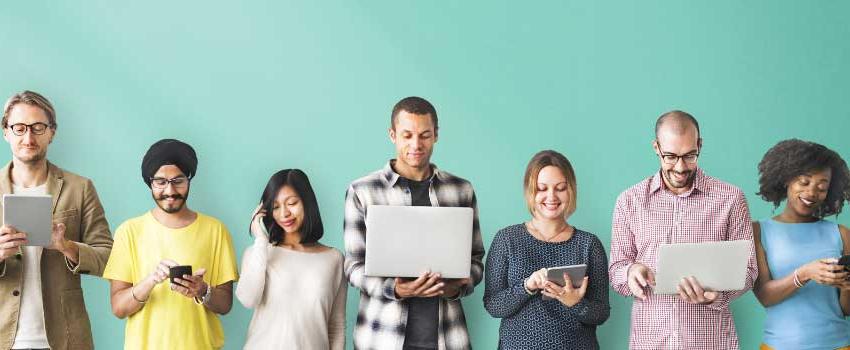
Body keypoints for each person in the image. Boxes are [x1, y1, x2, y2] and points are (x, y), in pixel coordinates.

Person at [343, 96, 485, 349]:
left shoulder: (461, 190)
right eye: (407, 135)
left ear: (436, 135)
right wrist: (395, 290)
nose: (416, 144)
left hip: (447, 337)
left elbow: (475, 261)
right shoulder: (363, 191)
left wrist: (455, 288)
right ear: (392, 134)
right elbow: (353, 266)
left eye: (425, 135)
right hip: (381, 337)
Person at [608, 110, 758, 349]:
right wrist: (630, 271)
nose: (680, 167)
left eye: (690, 155)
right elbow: (616, 269)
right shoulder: (630, 200)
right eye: (670, 156)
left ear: (700, 145)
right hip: (650, 342)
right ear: (656, 147)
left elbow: (749, 271)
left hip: (711, 342)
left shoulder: (731, 199)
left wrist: (717, 297)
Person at [0, 90, 113, 350]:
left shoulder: (80, 188)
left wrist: (66, 246)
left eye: (38, 127)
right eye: (19, 128)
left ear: (52, 132)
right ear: (6, 131)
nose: (28, 137)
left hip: (66, 338)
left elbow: (109, 258)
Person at [103, 139, 238, 350]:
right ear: (150, 182)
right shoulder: (129, 231)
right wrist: (150, 281)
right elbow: (119, 308)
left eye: (178, 180)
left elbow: (225, 305)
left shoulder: (215, 230)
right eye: (160, 182)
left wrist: (203, 290)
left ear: (189, 179)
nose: (170, 190)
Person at [483, 150, 610, 350]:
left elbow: (601, 313)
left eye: (560, 188)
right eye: (542, 188)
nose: (551, 196)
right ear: (530, 191)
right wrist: (527, 287)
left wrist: (575, 302)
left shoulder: (589, 244)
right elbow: (493, 305)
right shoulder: (507, 239)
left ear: (571, 191)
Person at [752, 139, 850, 350]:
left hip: (838, 346)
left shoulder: (840, 234)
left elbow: (845, 310)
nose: (812, 193)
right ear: (787, 179)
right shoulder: (759, 231)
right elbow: (765, 296)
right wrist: (804, 273)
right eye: (804, 182)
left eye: (822, 187)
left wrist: (847, 287)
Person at [236, 169, 346, 350]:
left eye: (292, 203)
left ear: (307, 203)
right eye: (276, 206)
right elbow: (248, 299)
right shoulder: (258, 252)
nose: (284, 213)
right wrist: (261, 240)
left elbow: (336, 326)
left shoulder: (333, 259)